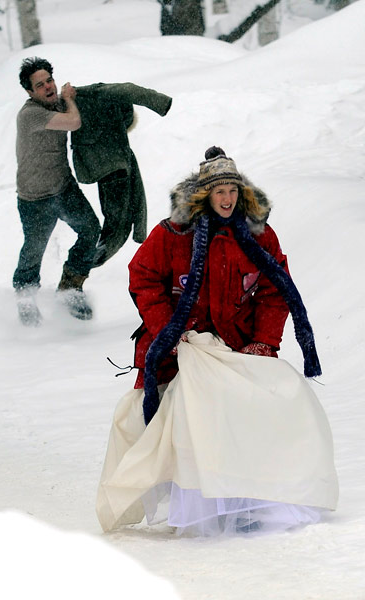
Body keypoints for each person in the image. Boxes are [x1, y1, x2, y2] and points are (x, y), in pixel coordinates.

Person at [96, 147, 338, 536]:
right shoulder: (171, 234)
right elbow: (142, 278)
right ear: (202, 194)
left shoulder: (258, 235)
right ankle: (197, 502)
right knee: (184, 423)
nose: (227, 198)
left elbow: (277, 290)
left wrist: (263, 341)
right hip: (178, 348)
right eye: (219, 191)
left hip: (234, 347)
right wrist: (168, 330)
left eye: (232, 190)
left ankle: (246, 500)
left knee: (258, 413)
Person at [13, 57, 101, 325]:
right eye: (40, 85)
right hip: (35, 198)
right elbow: (73, 121)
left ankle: (71, 286)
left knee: (90, 230)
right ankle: (25, 297)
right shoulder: (30, 115)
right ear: (29, 92)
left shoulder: (56, 105)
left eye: (49, 80)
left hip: (63, 188)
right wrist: (70, 100)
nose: (48, 87)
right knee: (34, 249)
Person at [70, 82, 172, 267]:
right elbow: (128, 89)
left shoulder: (86, 101)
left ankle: (83, 266)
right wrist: (160, 102)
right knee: (118, 227)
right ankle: (84, 265)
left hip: (109, 170)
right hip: (114, 169)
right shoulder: (97, 95)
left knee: (117, 225)